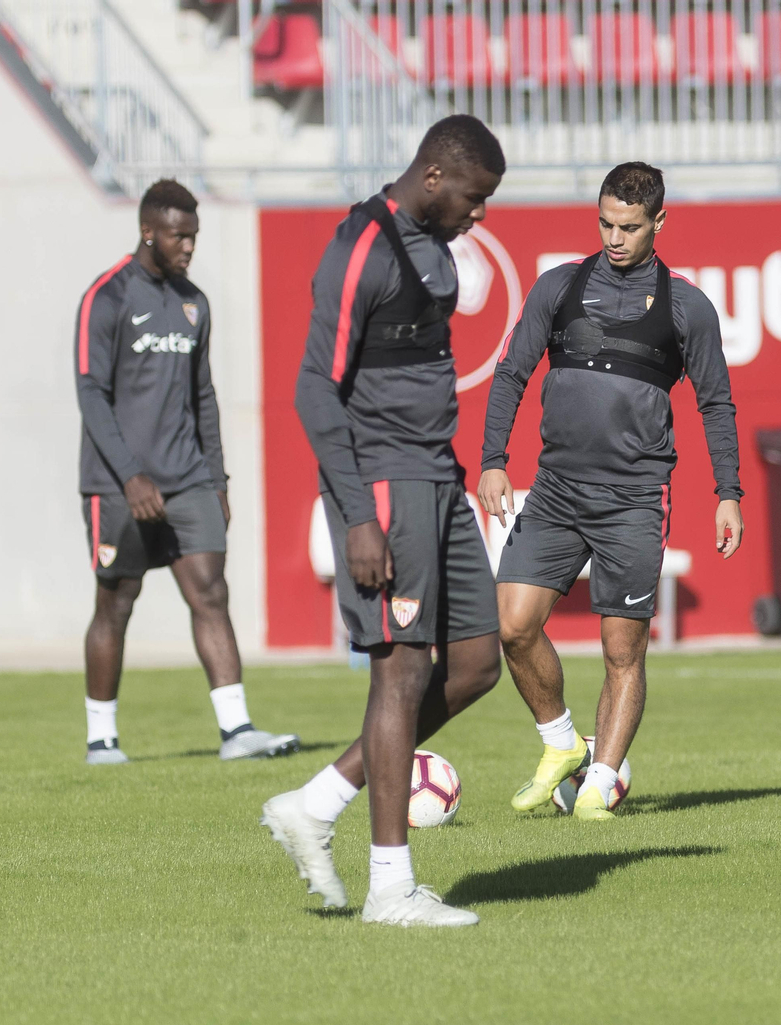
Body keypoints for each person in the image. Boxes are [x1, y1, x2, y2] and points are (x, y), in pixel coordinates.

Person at [260, 117, 506, 929]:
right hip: (386, 487)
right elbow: (313, 391)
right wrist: (359, 518)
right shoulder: (360, 249)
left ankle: (317, 801)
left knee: (474, 665)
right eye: (474, 199)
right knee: (399, 673)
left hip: (439, 475)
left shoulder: (433, 242)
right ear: (434, 176)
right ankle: (391, 890)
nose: (480, 216)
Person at [478, 162, 743, 821]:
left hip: (632, 499)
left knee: (621, 651)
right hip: (558, 492)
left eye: (629, 226)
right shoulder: (558, 287)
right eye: (605, 224)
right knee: (513, 625)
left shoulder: (687, 308)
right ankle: (562, 743)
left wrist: (728, 492)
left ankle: (599, 785)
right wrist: (493, 460)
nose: (615, 237)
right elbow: (511, 372)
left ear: (659, 222)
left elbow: (717, 405)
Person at [75, 179, 299, 766]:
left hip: (188, 480)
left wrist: (218, 478)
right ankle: (103, 739)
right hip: (119, 485)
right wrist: (129, 476)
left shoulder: (195, 301)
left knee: (211, 593)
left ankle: (237, 731)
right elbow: (91, 394)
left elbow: (204, 396)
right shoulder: (107, 295)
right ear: (149, 230)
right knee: (116, 601)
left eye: (194, 237)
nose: (188, 247)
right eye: (179, 236)